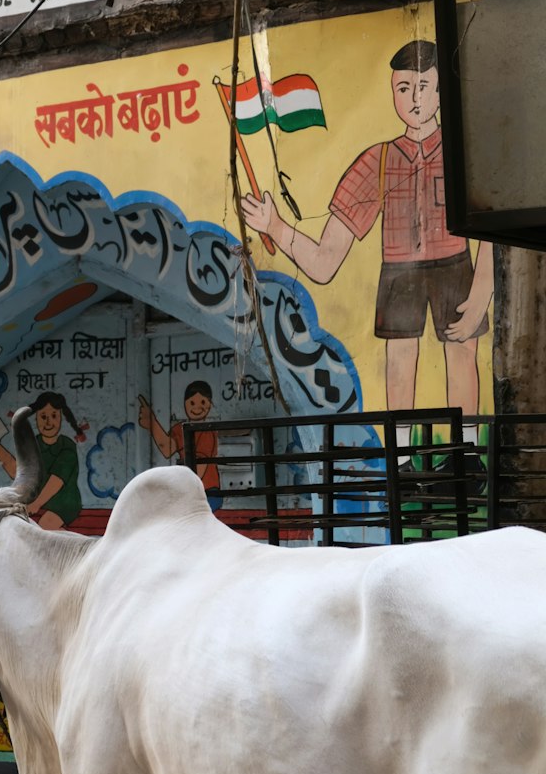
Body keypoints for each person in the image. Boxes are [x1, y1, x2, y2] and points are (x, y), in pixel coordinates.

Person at [241, 40, 493, 468]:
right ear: (391, 91)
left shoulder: (463, 156)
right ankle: (401, 462)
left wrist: (483, 291)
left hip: (454, 264)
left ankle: (466, 454)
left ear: (440, 92)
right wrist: (277, 227)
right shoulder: (376, 163)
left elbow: (488, 229)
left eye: (424, 86)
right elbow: (324, 261)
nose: (414, 99)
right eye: (403, 88)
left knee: (462, 352)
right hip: (396, 271)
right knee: (399, 360)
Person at [0, 392, 86, 530]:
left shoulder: (67, 446)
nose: (48, 421)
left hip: (63, 501)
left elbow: (56, 481)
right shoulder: (34, 442)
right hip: (36, 500)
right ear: (36, 418)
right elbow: (21, 473)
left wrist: (36, 504)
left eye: (54, 416)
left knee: (43, 527)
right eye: (43, 416)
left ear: (61, 417)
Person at [138, 380, 221, 508]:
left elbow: (199, 469)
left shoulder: (206, 432)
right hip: (190, 490)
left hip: (208, 492)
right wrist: (152, 423)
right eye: (192, 403)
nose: (197, 407)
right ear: (185, 404)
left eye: (203, 402)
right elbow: (166, 448)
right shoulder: (180, 428)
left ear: (210, 404)